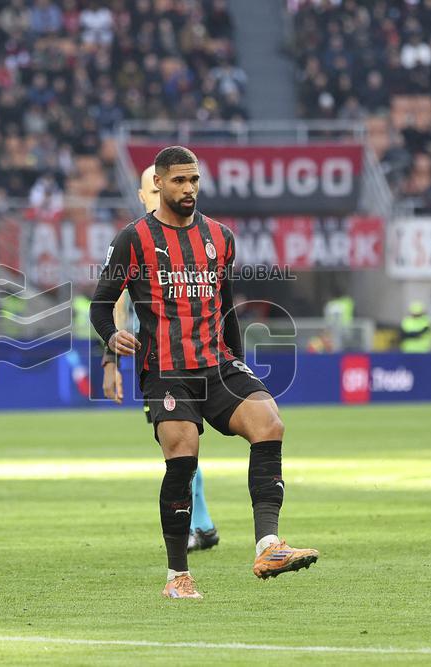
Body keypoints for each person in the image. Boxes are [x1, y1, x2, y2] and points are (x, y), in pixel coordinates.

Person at [90, 147, 318, 599]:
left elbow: (225, 304)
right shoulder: (133, 239)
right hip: (167, 372)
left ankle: (269, 544)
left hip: (218, 364)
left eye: (194, 180)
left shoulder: (220, 237)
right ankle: (178, 576)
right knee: (184, 458)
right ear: (158, 183)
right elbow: (100, 304)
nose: (189, 188)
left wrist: (239, 360)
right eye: (179, 181)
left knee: (269, 422)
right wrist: (110, 340)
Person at [102, 165, 221, 553]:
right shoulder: (133, 239)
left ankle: (198, 524)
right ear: (145, 195)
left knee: (183, 443)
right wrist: (110, 362)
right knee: (180, 442)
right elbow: (114, 303)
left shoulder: (199, 235)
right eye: (154, 192)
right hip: (160, 358)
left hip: (202, 355)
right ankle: (201, 523)